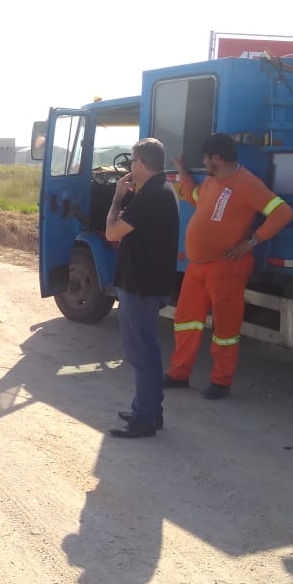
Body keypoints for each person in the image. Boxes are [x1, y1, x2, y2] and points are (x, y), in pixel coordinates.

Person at [167, 133, 293, 400]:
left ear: (217, 158)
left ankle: (221, 382)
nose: (203, 162)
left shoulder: (247, 183)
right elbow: (193, 196)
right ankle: (179, 374)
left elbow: (283, 212)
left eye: (205, 158)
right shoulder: (214, 180)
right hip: (197, 267)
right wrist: (181, 170)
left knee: (225, 328)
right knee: (186, 321)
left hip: (226, 268)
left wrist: (251, 242)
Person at [104, 138, 180, 438]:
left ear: (139, 163)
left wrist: (116, 199)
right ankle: (149, 410)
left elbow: (112, 231)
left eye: (131, 163)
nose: (128, 168)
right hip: (148, 282)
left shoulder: (150, 196)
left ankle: (145, 418)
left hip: (140, 285)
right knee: (147, 349)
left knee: (141, 353)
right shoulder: (160, 189)